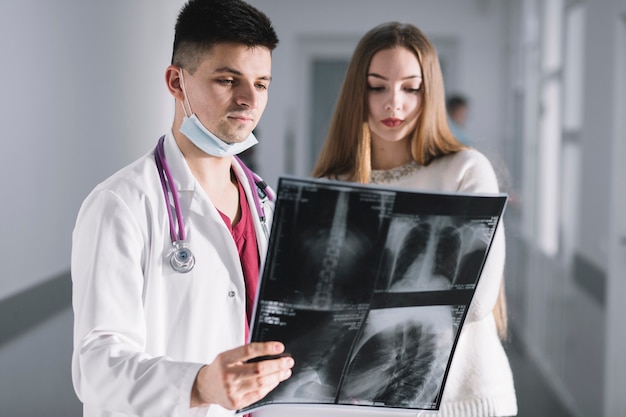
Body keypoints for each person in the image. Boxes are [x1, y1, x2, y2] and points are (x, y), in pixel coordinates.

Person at [70, 1, 294, 416]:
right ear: (176, 81)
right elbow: (96, 367)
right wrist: (199, 384)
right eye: (229, 80)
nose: (249, 100)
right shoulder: (121, 205)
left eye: (261, 84)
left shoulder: (268, 206)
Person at [312, 22, 518, 417]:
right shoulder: (332, 184)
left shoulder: (466, 170)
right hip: (366, 404)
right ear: (358, 91)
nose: (394, 104)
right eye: (377, 87)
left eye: (411, 87)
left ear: (431, 92)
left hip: (465, 403)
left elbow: (474, 302)